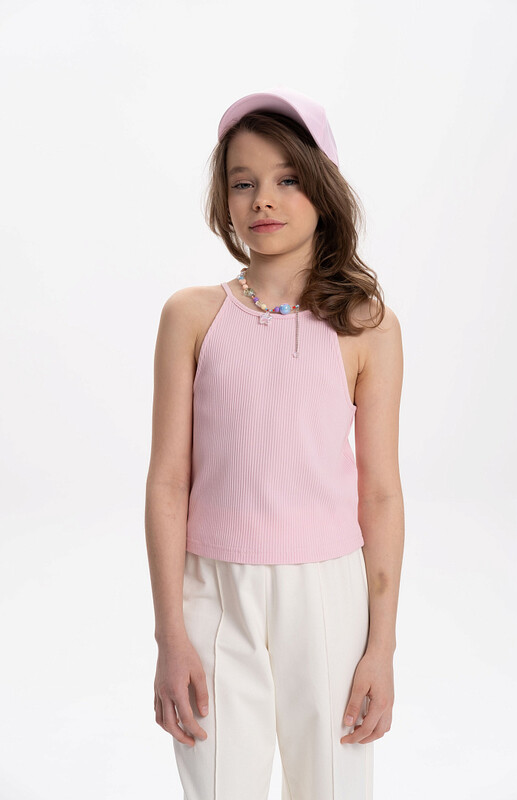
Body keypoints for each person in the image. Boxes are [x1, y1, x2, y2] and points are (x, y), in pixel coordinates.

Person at [144, 86, 404, 800]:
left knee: (331, 787)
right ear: (223, 200)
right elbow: (167, 481)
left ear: (323, 188)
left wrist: (380, 647)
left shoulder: (367, 326)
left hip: (328, 595)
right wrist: (170, 635)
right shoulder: (192, 316)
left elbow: (381, 492)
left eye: (287, 179)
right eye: (243, 182)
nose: (263, 198)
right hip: (213, 590)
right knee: (217, 784)